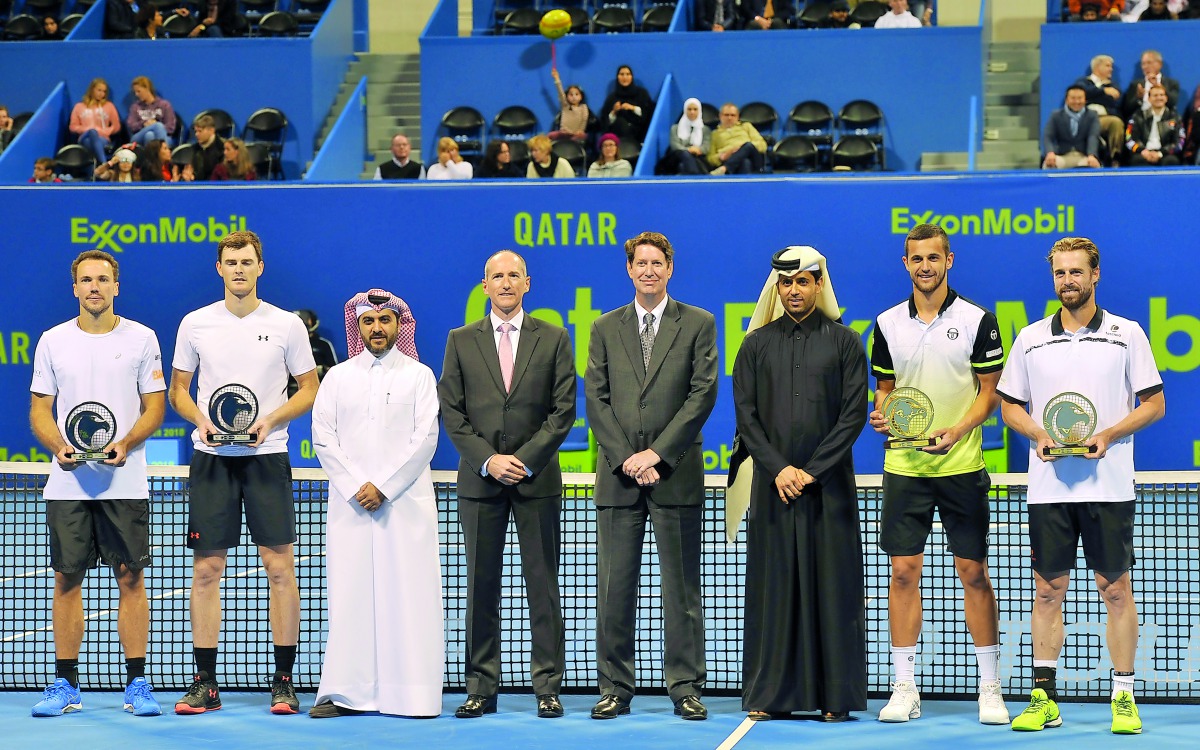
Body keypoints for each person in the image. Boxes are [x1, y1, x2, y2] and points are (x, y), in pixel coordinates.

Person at [998, 236, 1164, 735]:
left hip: (1109, 487)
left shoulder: (1127, 333)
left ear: (1095, 275)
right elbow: (1010, 406)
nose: (1067, 281)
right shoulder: (1030, 338)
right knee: (1047, 591)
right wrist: (1038, 433)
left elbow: (1154, 404)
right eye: (1059, 273)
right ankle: (1044, 697)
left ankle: (1124, 697)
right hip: (1049, 488)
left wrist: (1109, 434)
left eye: (1076, 272)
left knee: (1115, 589)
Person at [168, 230, 318, 715]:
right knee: (207, 570)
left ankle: (284, 681)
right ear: (219, 268)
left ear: (260, 268)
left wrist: (271, 419)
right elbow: (178, 391)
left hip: (267, 458)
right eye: (230, 261)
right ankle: (205, 684)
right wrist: (201, 421)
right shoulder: (194, 324)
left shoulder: (287, 325)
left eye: (247, 262)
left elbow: (309, 389)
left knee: (280, 569)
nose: (238, 269)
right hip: (212, 460)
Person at [867, 224, 1008, 726]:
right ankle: (904, 686)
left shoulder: (977, 320)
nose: (924, 266)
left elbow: (990, 392)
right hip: (904, 466)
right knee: (903, 573)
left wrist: (956, 430)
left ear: (950, 260)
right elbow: (885, 389)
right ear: (905, 264)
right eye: (915, 259)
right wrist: (883, 411)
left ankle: (989, 687)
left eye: (933, 257)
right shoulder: (886, 324)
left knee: (974, 573)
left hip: (961, 465)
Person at [728, 245, 867, 722]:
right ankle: (771, 696)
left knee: (833, 589)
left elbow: (852, 417)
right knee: (775, 588)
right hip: (773, 491)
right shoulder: (754, 346)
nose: (793, 290)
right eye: (785, 283)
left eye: (802, 282)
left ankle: (836, 699)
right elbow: (746, 418)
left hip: (829, 492)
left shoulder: (847, 343)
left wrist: (811, 471)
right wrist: (780, 469)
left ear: (818, 285)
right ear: (777, 288)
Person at [585, 231, 718, 721]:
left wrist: (657, 455)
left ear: (670, 269)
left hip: (675, 477)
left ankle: (685, 687)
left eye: (656, 263)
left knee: (681, 591)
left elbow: (702, 395)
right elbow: (595, 398)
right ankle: (615, 688)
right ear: (629, 269)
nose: (648, 270)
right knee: (614, 589)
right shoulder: (603, 327)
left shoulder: (699, 323)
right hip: (619, 480)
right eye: (640, 263)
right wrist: (626, 458)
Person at [438, 250, 576, 720]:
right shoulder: (460, 340)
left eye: (513, 275)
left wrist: (524, 460)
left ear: (527, 284)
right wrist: (489, 461)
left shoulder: (555, 338)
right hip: (481, 484)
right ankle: (481, 687)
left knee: (543, 586)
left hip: (537, 483)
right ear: (485, 286)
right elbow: (452, 412)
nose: (505, 283)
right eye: (496, 276)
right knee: (481, 587)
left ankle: (547, 687)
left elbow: (563, 411)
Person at [28, 250, 166, 719]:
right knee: (67, 578)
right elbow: (40, 410)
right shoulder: (52, 341)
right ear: (75, 288)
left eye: (103, 280)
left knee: (131, 577)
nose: (94, 287)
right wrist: (58, 446)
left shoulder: (142, 338)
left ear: (116, 287)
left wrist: (126, 442)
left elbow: (154, 408)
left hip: (124, 482)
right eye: (85, 280)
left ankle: (137, 685)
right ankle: (65, 683)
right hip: (67, 485)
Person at [309, 289, 443, 719]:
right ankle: (347, 693)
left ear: (399, 325)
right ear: (358, 327)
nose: (377, 328)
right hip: (350, 508)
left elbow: (426, 438)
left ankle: (412, 696)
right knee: (350, 597)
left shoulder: (420, 376)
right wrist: (355, 486)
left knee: (410, 597)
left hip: (405, 508)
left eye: (386, 320)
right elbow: (323, 437)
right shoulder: (337, 378)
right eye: (369, 321)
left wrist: (383, 486)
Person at [1073, 55, 1124, 164]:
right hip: (1084, 119)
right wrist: (1103, 91)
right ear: (1097, 67)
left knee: (1116, 122)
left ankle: (1114, 158)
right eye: (1107, 66)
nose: (1111, 69)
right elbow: (1081, 93)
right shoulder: (1083, 82)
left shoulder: (1113, 85)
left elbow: (1115, 103)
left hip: (1104, 119)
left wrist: (1092, 97)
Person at [1042, 85, 1101, 169]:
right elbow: (1048, 136)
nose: (1077, 101)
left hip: (1084, 157)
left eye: (1080, 98)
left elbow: (1093, 136)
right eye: (1073, 98)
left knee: (1095, 166)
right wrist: (1050, 152)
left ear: (1085, 100)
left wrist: (1092, 155)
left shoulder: (1092, 115)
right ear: (1066, 100)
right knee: (1048, 165)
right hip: (1062, 156)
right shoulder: (1056, 115)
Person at [1124, 84, 1183, 166]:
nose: (1159, 98)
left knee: (1171, 161)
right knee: (1137, 160)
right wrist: (1142, 151)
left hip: (1165, 154)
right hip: (1143, 153)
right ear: (1149, 99)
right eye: (1155, 95)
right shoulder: (1138, 116)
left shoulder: (1175, 117)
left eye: (1161, 95)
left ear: (1166, 98)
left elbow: (1180, 142)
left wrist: (1161, 153)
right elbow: (1129, 139)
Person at [70, 78, 121, 167]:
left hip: (102, 139)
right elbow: (73, 127)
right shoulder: (79, 106)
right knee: (92, 132)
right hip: (84, 137)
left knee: (94, 140)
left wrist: (105, 131)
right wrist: (89, 130)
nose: (102, 94)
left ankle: (100, 165)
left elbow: (116, 126)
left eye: (104, 91)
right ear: (92, 90)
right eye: (99, 90)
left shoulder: (109, 106)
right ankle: (104, 164)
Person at [707, 102, 767, 175]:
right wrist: (722, 156)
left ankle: (725, 168)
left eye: (733, 115)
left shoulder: (746, 126)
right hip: (731, 159)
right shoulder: (715, 134)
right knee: (745, 162)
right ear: (720, 116)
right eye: (726, 115)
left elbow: (763, 145)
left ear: (738, 117)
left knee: (748, 145)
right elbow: (710, 159)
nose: (729, 118)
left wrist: (741, 148)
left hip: (753, 158)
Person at [599, 65, 654, 143]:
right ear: (617, 77)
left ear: (632, 77)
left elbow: (648, 113)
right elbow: (605, 122)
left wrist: (633, 108)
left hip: (640, 135)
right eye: (622, 74)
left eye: (628, 74)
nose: (625, 77)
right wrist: (614, 112)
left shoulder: (642, 93)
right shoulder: (612, 98)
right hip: (618, 138)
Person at [1120, 49, 1180, 120]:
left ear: (1160, 64)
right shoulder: (1135, 84)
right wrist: (1138, 97)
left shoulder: (1171, 83)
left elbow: (1172, 103)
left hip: (1164, 120)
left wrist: (1159, 86)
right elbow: (1127, 109)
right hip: (1140, 120)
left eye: (1149, 63)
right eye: (1143, 64)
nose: (1145, 67)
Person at [664, 98, 711, 176]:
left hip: (698, 157)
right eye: (689, 109)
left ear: (699, 111)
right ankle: (694, 174)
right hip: (677, 157)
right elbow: (675, 146)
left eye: (695, 109)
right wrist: (689, 150)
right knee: (685, 154)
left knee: (683, 166)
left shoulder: (705, 129)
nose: (692, 112)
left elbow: (706, 147)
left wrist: (698, 150)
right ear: (685, 110)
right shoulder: (675, 128)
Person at [126, 77, 177, 148]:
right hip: (139, 137)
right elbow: (131, 126)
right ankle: (163, 153)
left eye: (138, 91)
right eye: (135, 92)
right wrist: (144, 124)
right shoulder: (135, 107)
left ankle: (152, 158)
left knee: (149, 135)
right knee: (157, 125)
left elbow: (170, 127)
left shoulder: (164, 105)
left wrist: (155, 127)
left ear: (147, 88)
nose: (136, 94)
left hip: (163, 136)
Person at [549, 68, 589, 143]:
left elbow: (584, 120)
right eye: (571, 94)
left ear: (581, 96)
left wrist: (581, 130)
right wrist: (557, 79)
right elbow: (560, 93)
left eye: (576, 94)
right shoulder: (565, 106)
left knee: (583, 136)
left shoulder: (583, 107)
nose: (574, 97)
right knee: (550, 135)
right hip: (564, 133)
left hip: (576, 135)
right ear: (567, 96)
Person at [188, 114, 225, 182]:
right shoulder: (194, 149)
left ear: (211, 130)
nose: (196, 134)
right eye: (195, 131)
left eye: (200, 131)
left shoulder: (223, 148)